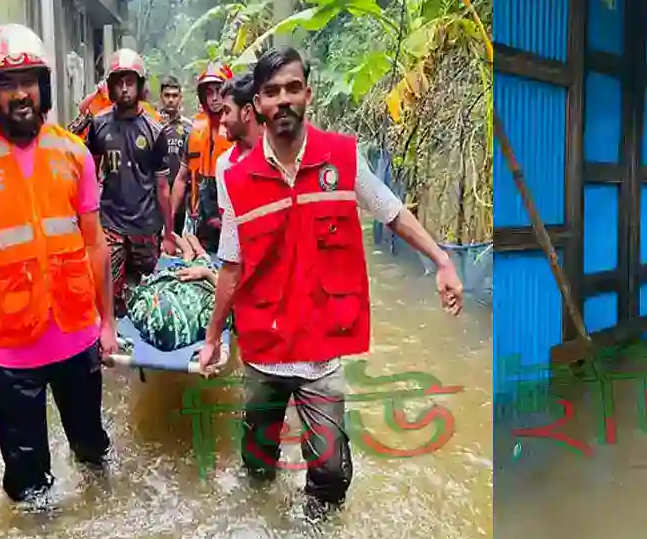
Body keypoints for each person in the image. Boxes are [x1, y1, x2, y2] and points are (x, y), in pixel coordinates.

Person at [197, 47, 465, 510]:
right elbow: (232, 264)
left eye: (293, 88)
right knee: (258, 462)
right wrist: (213, 337)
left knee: (331, 475)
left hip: (321, 351)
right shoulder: (236, 178)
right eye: (273, 92)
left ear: (308, 94)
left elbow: (392, 212)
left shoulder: (341, 158)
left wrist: (442, 259)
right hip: (264, 350)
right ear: (257, 103)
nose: (284, 100)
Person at [0, 24, 116, 503]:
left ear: (43, 86)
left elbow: (95, 245)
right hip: (12, 351)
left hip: (77, 335)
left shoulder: (75, 155)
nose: (20, 94)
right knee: (27, 484)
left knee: (93, 451)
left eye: (28, 81)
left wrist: (108, 323)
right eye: (6, 85)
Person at [85, 48, 173, 316]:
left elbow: (162, 186)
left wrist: (168, 234)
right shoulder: (98, 125)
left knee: (146, 291)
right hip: (111, 221)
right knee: (108, 292)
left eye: (130, 82)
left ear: (140, 85)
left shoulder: (156, 131)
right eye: (119, 82)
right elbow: (91, 172)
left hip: (146, 224)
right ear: (110, 87)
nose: (124, 88)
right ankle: (110, 340)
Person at [170, 63, 233, 254]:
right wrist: (170, 218)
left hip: (230, 216)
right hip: (200, 220)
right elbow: (182, 178)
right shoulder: (194, 132)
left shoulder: (240, 130)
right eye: (209, 92)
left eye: (219, 91)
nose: (214, 98)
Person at [158, 75, 192, 235]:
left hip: (179, 193)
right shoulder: (151, 124)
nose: (170, 100)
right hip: (155, 192)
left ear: (180, 98)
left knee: (175, 237)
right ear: (161, 97)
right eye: (167, 95)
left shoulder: (188, 127)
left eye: (174, 95)